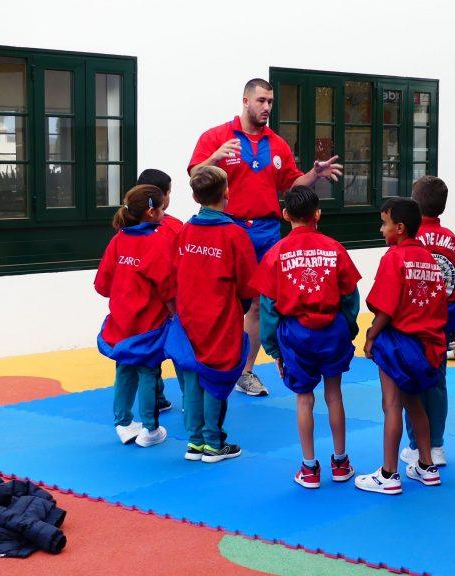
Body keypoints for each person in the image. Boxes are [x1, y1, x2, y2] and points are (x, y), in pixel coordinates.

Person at [187, 78, 343, 398]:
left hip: (266, 232)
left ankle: (246, 371)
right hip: (226, 229)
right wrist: (215, 157)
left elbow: (293, 184)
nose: (267, 107)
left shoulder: (277, 144)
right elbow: (194, 175)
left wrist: (314, 174)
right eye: (261, 101)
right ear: (245, 101)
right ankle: (209, 369)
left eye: (270, 102)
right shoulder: (216, 137)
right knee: (220, 302)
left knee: (259, 304)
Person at [252, 186, 361, 488]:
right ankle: (341, 462)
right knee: (335, 395)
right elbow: (351, 297)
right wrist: (347, 329)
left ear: (285, 215)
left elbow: (268, 308)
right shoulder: (334, 248)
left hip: (296, 336)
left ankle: (309, 467)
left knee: (304, 399)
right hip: (332, 331)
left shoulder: (275, 254)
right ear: (318, 214)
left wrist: (274, 349)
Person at [165, 166, 258, 463]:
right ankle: (214, 443)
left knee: (192, 376)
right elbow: (248, 283)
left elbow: (176, 273)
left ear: (194, 196)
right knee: (217, 376)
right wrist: (240, 308)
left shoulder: (186, 231)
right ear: (227, 193)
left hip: (189, 315)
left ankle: (195, 442)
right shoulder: (235, 234)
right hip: (220, 316)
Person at [354, 198, 447, 495]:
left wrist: (370, 337)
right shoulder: (430, 260)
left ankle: (389, 473)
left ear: (400, 228)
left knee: (392, 405)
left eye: (384, 224)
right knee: (414, 404)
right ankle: (426, 465)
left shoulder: (394, 258)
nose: (382, 230)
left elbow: (386, 307)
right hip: (426, 345)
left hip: (399, 344)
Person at [400, 175, 455, 468]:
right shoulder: (450, 239)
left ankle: (414, 445)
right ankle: (435, 447)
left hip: (410, 322)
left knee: (411, 383)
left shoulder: (406, 237)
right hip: (444, 320)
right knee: (437, 382)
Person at [94, 184, 174, 448]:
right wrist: (176, 314)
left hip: (121, 322)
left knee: (124, 369)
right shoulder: (157, 242)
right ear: (151, 212)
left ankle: (124, 424)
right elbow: (167, 287)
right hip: (148, 324)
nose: (164, 211)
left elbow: (102, 284)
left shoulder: (118, 240)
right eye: (162, 207)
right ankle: (150, 428)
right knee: (149, 371)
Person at [136, 168, 184, 412]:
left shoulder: (126, 226)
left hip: (141, 301)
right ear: (164, 196)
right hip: (170, 298)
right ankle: (191, 400)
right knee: (181, 349)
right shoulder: (174, 227)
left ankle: (156, 397)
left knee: (147, 355)